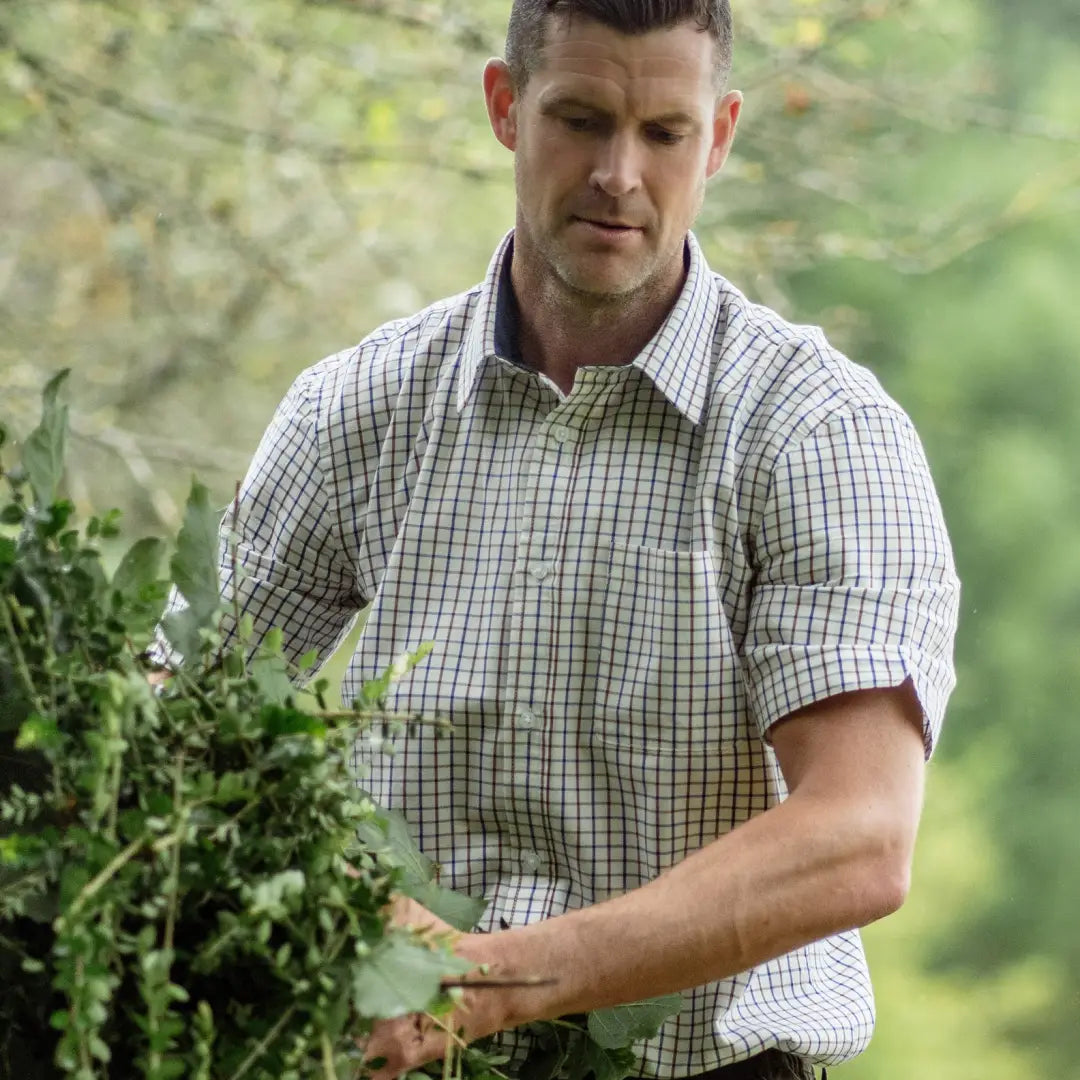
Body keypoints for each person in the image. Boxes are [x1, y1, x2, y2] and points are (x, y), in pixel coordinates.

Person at [158, 2, 960, 1078]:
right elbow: (188, 718)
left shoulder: (817, 433)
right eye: (581, 120)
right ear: (505, 107)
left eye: (663, 133)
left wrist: (491, 981)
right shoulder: (354, 410)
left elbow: (857, 840)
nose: (618, 175)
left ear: (719, 136)